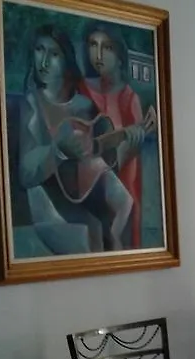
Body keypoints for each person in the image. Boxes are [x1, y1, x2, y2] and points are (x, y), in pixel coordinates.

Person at [16, 24, 133, 253]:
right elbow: (27, 173)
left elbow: (96, 153)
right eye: (39, 50)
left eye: (54, 54)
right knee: (84, 240)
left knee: (123, 203)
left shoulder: (83, 105)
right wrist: (58, 150)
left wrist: (114, 144)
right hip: (47, 195)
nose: (44, 61)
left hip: (80, 189)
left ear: (66, 61)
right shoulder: (31, 104)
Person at [80, 22, 147, 250]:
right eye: (93, 45)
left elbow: (126, 162)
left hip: (123, 189)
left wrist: (129, 145)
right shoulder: (81, 90)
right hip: (86, 192)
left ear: (120, 56)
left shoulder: (129, 99)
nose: (98, 54)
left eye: (107, 47)